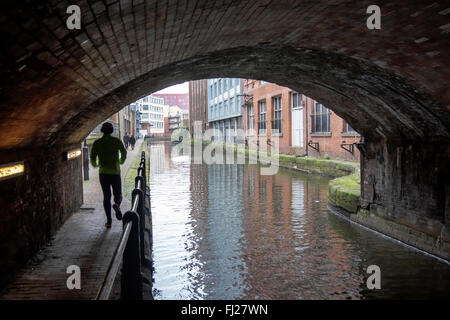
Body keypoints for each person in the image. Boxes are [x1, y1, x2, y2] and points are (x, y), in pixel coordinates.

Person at [90, 122, 127, 228]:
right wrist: (120, 161)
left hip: (103, 173)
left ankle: (108, 221)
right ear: (112, 131)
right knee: (118, 194)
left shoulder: (97, 143)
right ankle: (117, 205)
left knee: (106, 197)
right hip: (115, 172)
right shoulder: (116, 141)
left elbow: (92, 157)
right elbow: (124, 152)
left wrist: (96, 164)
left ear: (102, 131)